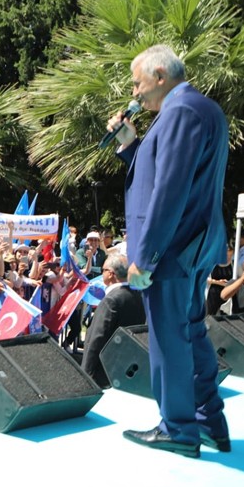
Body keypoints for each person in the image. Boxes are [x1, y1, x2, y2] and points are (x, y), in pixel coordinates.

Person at [109, 44, 230, 457]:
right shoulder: (200, 108)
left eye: (137, 82)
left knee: (168, 336)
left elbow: (170, 190)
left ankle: (178, 429)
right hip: (195, 245)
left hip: (174, 248)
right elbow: (161, 173)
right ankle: (209, 421)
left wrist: (147, 254)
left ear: (160, 75)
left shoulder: (179, 112)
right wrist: (129, 144)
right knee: (192, 329)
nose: (135, 92)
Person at [81, 255, 145, 388]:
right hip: (127, 371)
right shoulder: (139, 296)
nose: (101, 273)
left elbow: (96, 339)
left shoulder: (112, 300)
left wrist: (86, 375)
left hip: (104, 373)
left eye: (103, 270)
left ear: (110, 274)